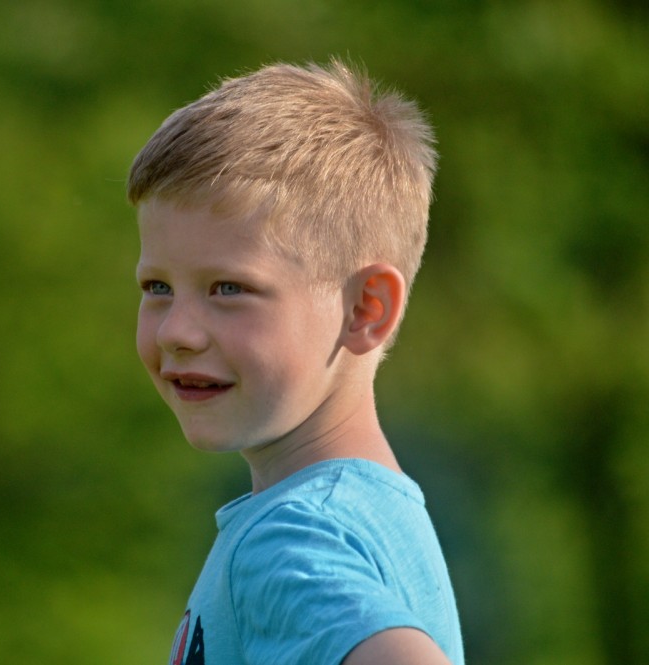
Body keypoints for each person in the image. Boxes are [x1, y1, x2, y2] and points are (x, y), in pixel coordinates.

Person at [127, 58, 464, 665]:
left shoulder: (290, 541)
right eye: (157, 288)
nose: (176, 331)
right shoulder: (379, 517)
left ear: (365, 309)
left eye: (229, 288)